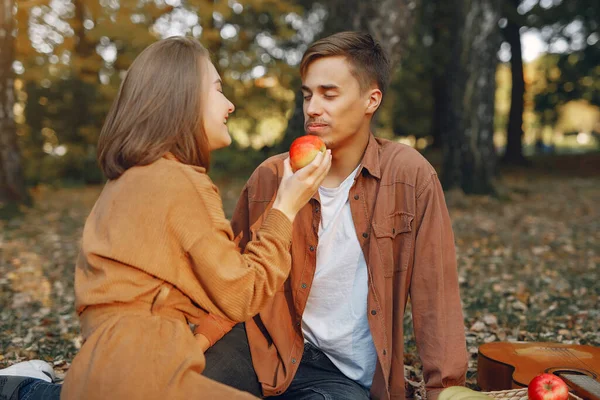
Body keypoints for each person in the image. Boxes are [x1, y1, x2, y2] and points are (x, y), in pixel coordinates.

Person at [0, 36, 331, 400]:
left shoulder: (124, 183)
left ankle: (23, 389)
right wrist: (285, 207)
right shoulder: (181, 183)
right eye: (218, 90)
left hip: (96, 371)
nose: (230, 104)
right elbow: (242, 295)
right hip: (146, 375)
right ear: (184, 98)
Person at [195, 31, 469, 400]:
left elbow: (435, 292)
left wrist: (445, 391)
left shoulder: (409, 175)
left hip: (341, 375)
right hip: (265, 346)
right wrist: (196, 344)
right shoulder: (271, 176)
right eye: (308, 94)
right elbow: (233, 281)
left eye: (329, 93)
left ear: (371, 99)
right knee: (184, 385)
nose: (312, 108)